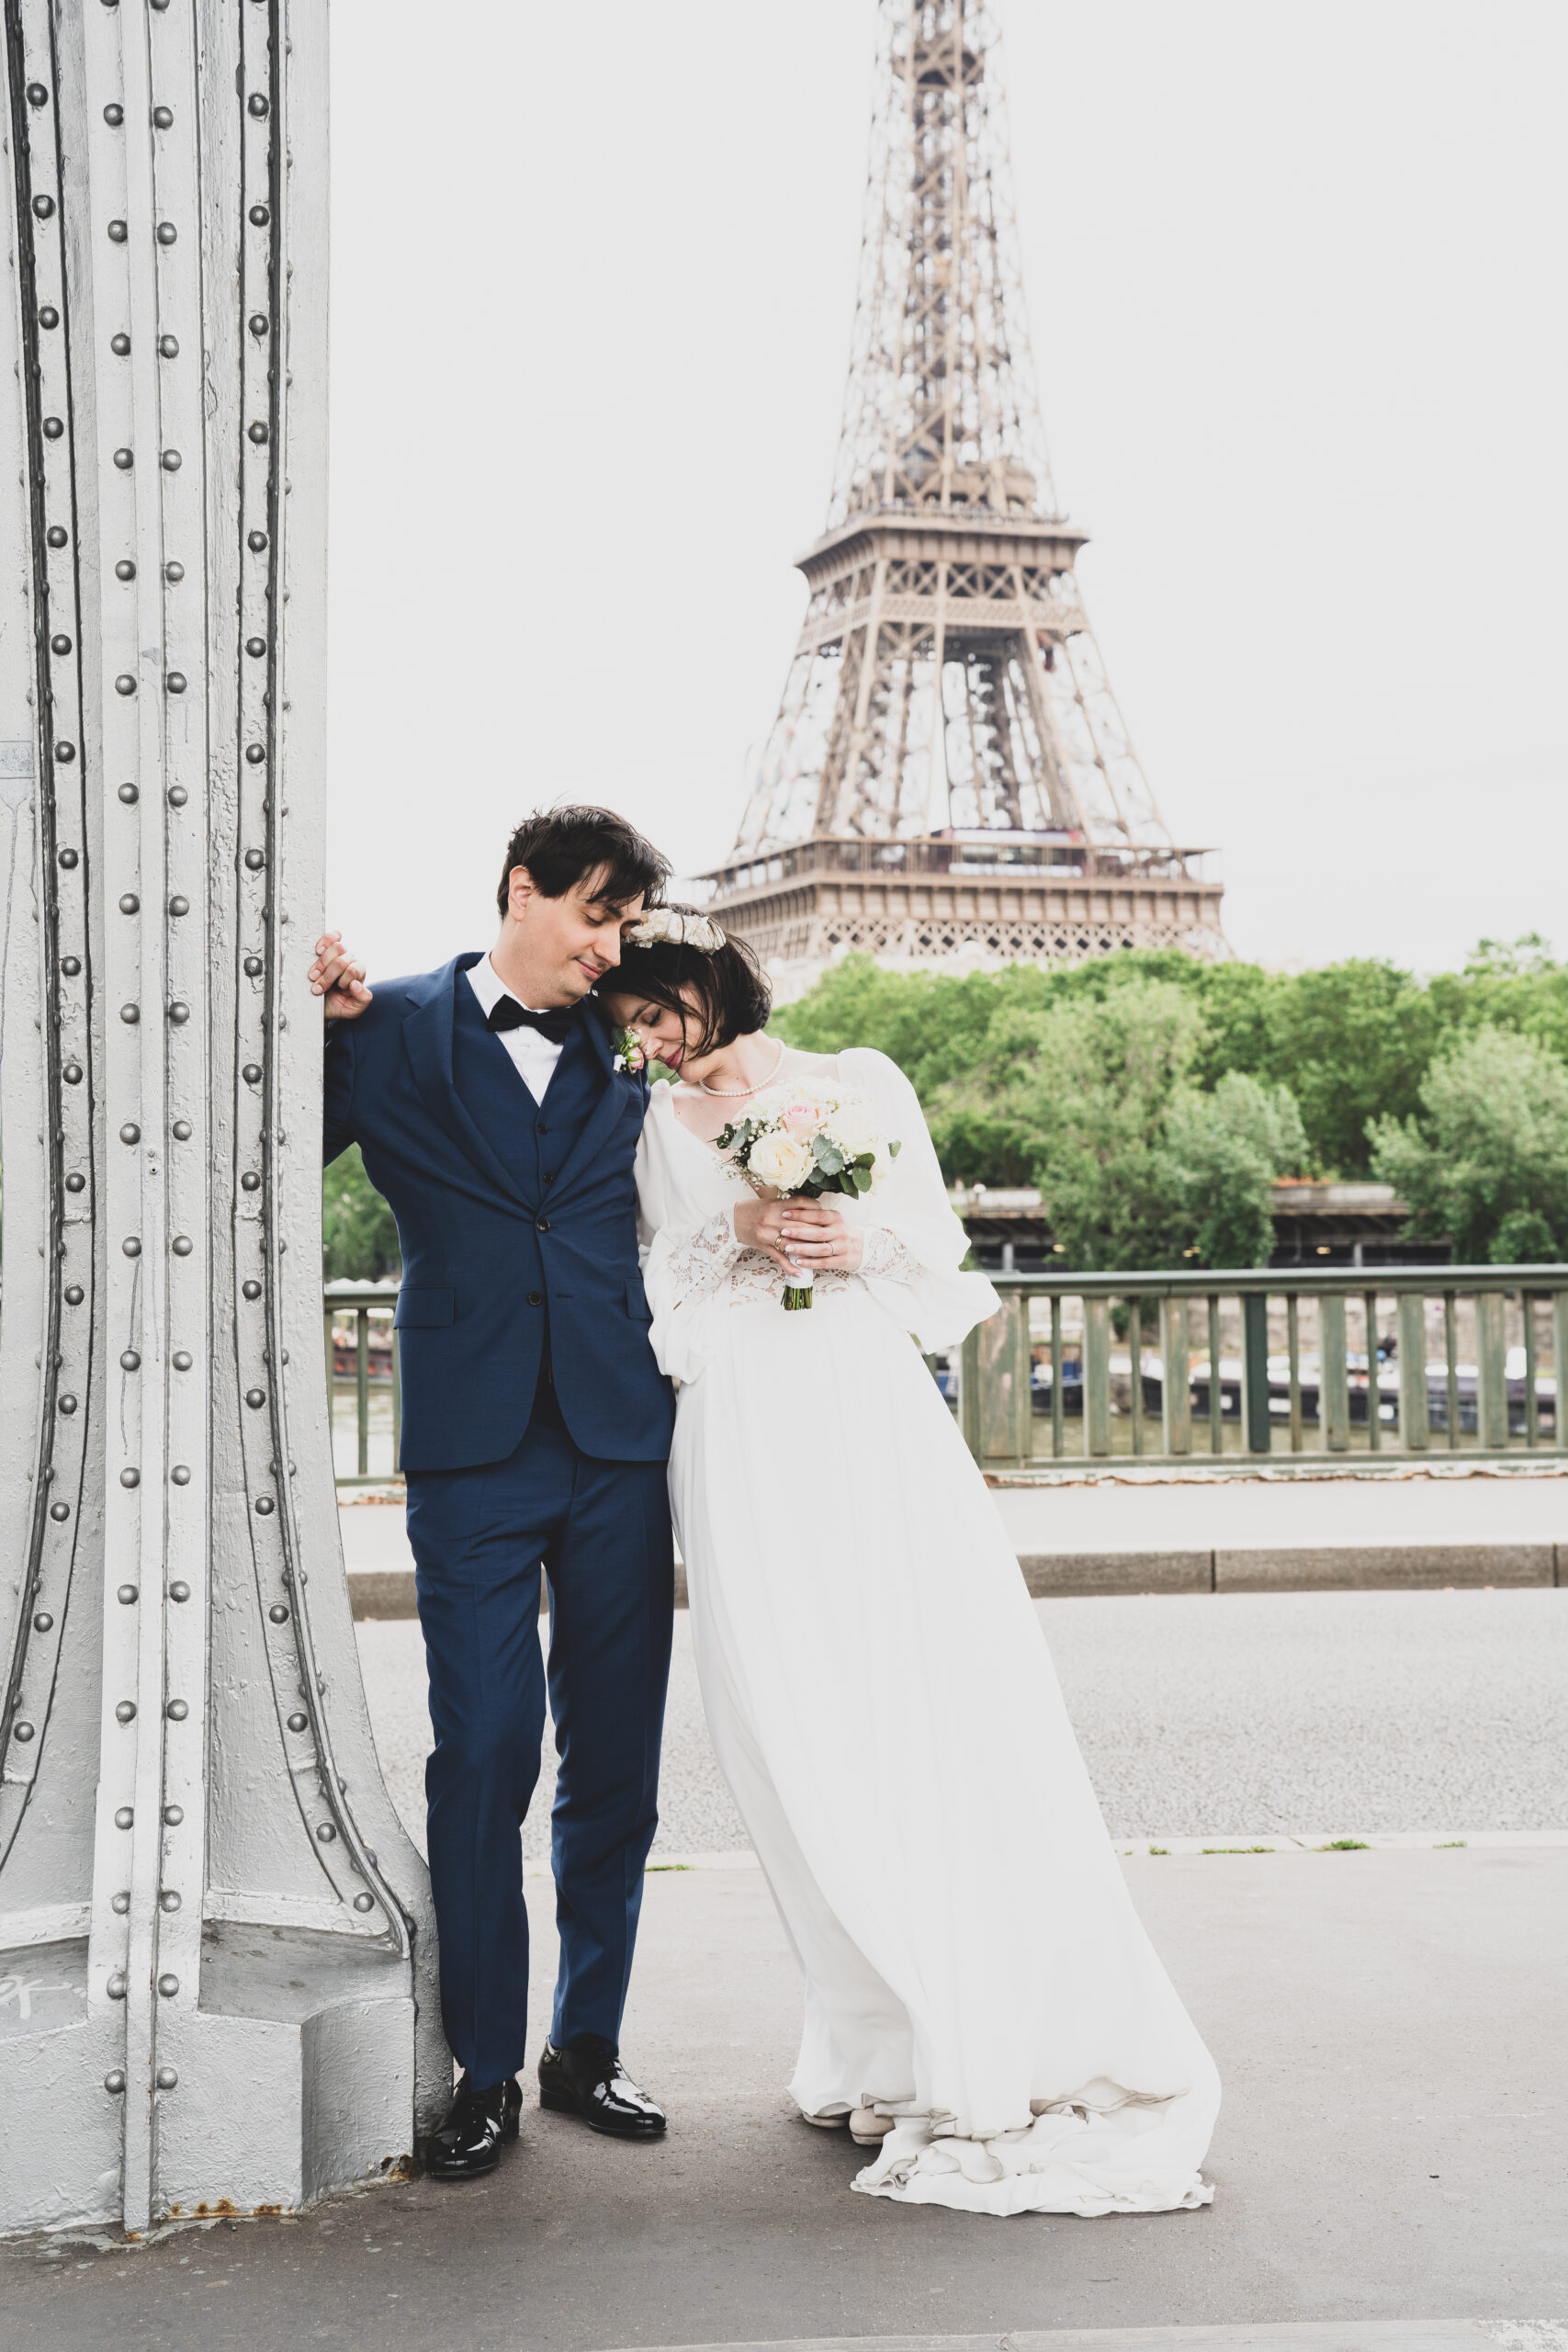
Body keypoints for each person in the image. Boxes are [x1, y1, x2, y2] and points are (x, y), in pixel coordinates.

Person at [600, 910, 1221, 2218]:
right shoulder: (649, 1123)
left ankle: (971, 2024)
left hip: (865, 1417)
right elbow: (656, 1286)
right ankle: (885, 2026)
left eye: (658, 1014)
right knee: (790, 1724)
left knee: (926, 1702)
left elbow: (936, 1260)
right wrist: (736, 1237)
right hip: (739, 1440)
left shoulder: (866, 1082)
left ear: (715, 985)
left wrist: (852, 1243)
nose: (646, 1041)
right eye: (629, 1025)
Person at [310, 807, 677, 2181]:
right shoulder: (385, 1024)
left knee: (618, 1768)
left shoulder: (641, 1037)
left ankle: (590, 2046)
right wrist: (294, 1026)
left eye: (627, 925)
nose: (611, 945)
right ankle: (484, 2067)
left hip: (620, 1441)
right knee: (484, 1758)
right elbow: (265, 1166)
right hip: (470, 1448)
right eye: (594, 916)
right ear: (520, 892)